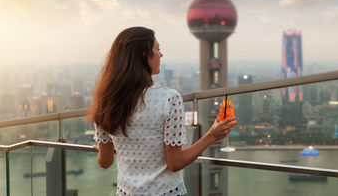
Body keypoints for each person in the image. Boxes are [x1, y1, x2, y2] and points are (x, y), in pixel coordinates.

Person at [87, 27, 236, 196]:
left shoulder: (105, 100)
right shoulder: (169, 99)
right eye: (157, 49)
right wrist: (211, 136)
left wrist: (113, 147)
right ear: (145, 55)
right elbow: (175, 162)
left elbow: (105, 161)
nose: (161, 55)